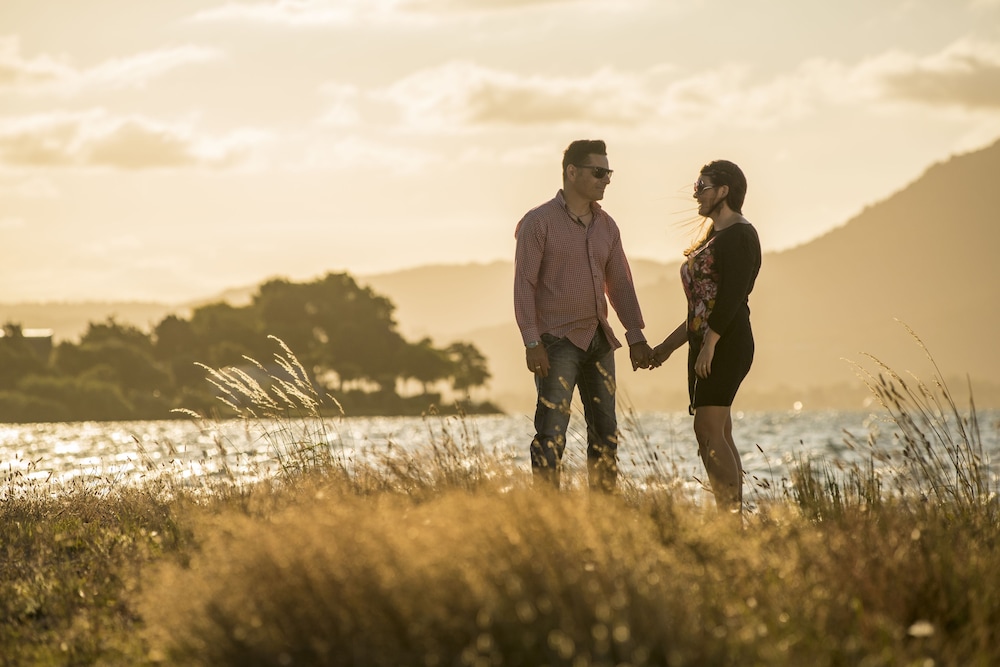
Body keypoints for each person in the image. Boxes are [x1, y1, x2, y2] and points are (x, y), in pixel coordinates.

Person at [514, 139, 653, 492]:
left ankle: (604, 513)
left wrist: (635, 336)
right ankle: (548, 511)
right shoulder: (538, 222)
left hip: (599, 341)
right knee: (551, 433)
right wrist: (532, 342)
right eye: (599, 172)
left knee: (606, 434)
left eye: (609, 173)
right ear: (572, 172)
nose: (606, 180)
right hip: (555, 342)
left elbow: (619, 283)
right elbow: (524, 285)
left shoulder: (607, 226)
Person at [649, 160, 761, 517]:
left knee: (708, 429)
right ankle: (733, 520)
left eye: (702, 186)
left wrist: (710, 344)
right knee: (718, 431)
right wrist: (666, 348)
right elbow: (700, 308)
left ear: (723, 191)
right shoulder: (715, 235)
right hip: (707, 343)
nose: (695, 193)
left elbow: (731, 299)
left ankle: (730, 520)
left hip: (727, 342)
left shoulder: (740, 235)